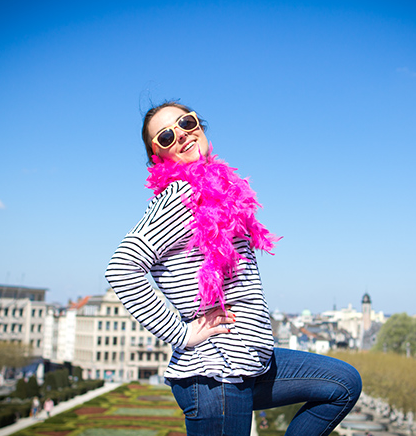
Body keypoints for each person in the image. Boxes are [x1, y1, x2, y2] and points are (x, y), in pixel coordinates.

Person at [105, 101, 362, 436]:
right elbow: (122, 267)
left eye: (187, 122)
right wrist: (180, 333)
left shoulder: (214, 190)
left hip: (251, 363)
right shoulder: (182, 195)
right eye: (166, 136)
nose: (181, 134)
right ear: (158, 155)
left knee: (342, 384)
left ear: (200, 125)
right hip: (215, 375)